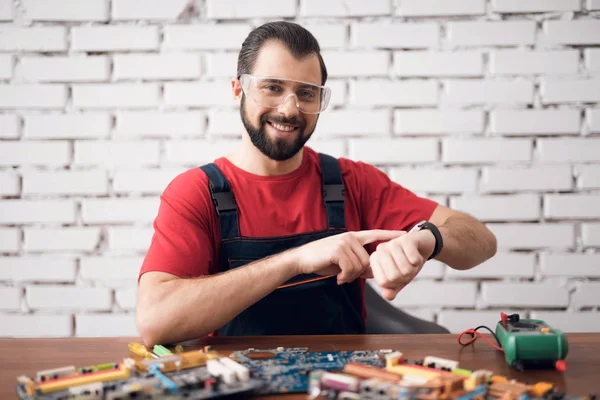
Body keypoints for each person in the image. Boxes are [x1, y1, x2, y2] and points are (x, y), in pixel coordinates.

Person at [135, 21, 497, 347]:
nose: (290, 109)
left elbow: (481, 240)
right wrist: (295, 261)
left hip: (344, 384)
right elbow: (155, 321)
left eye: (306, 93)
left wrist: (427, 238)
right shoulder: (197, 192)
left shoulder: (351, 182)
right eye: (273, 88)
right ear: (237, 91)